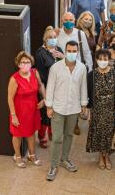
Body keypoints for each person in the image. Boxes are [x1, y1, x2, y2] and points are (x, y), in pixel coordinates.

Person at [45, 40, 88, 181]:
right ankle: (53, 164)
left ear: (77, 51)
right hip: (57, 107)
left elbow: (83, 87)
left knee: (69, 135)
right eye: (69, 51)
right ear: (65, 51)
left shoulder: (82, 68)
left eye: (74, 51)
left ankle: (65, 159)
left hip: (73, 108)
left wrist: (83, 105)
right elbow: (50, 87)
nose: (71, 53)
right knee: (57, 138)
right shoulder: (55, 68)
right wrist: (49, 106)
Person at [86, 49, 115, 170]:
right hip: (97, 110)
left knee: (109, 134)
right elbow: (89, 93)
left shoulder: (114, 73)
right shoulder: (91, 74)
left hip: (111, 109)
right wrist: (88, 111)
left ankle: (107, 156)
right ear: (96, 60)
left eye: (105, 59)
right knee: (98, 133)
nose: (103, 61)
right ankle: (100, 157)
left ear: (109, 60)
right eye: (100, 59)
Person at [8, 51, 46, 167]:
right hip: (19, 111)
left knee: (31, 133)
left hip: (33, 109)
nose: (25, 64)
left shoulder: (35, 73)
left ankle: (32, 154)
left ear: (31, 63)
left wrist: (45, 100)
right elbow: (10, 97)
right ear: (18, 64)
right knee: (17, 134)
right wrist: (13, 115)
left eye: (27, 62)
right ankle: (18, 156)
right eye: (22, 62)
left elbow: (40, 86)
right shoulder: (15, 78)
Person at [34, 27, 64, 148]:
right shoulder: (40, 53)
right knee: (45, 114)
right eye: (50, 38)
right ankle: (42, 136)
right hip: (46, 87)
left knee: (56, 113)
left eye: (54, 37)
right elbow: (40, 76)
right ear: (45, 40)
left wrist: (63, 57)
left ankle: (52, 133)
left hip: (59, 87)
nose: (52, 40)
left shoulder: (59, 50)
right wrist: (44, 95)